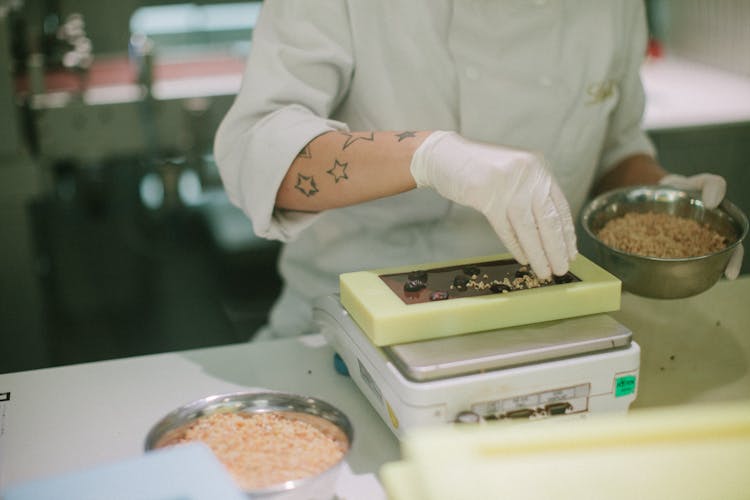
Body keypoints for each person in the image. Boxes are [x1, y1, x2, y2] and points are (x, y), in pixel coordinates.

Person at [214, 1, 742, 341]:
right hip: (350, 331)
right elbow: (257, 151)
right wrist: (430, 157)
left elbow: (614, 146)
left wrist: (659, 200)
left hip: (552, 331)